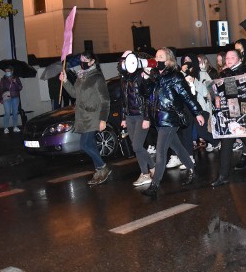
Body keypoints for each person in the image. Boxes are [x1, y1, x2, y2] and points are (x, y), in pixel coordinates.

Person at [143, 47, 205, 198]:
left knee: (161, 151)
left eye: (160, 56)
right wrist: (146, 77)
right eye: (156, 56)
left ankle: (155, 185)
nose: (157, 59)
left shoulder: (175, 76)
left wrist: (197, 113)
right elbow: (146, 94)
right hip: (158, 119)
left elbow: (187, 96)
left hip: (170, 119)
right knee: (176, 146)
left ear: (169, 60)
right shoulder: (156, 76)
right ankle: (191, 168)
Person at [211, 49, 246, 187]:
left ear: (239, 59)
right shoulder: (224, 73)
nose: (229, 59)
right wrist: (216, 96)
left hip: (244, 110)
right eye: (227, 58)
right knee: (226, 144)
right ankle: (223, 175)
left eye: (232, 57)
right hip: (229, 112)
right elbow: (218, 92)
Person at [60, 51, 112, 186]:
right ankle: (99, 171)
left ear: (92, 61)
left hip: (93, 115)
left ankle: (103, 167)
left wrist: (103, 119)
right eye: (81, 58)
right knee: (91, 144)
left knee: (84, 144)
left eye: (85, 59)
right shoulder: (80, 76)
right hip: (82, 116)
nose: (82, 61)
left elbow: (105, 100)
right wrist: (65, 81)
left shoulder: (97, 77)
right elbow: (74, 94)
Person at [118, 54, 156, 187]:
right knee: (138, 148)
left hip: (141, 116)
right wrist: (123, 117)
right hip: (130, 117)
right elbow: (123, 100)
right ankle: (151, 168)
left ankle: (146, 173)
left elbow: (148, 99)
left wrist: (147, 117)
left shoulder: (141, 77)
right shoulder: (123, 79)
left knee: (137, 146)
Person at [0, 66, 23, 133]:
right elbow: (1, 89)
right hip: (6, 97)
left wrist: (15, 82)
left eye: (8, 71)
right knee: (7, 112)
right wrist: (1, 98)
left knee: (15, 112)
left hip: (15, 97)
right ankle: (5, 128)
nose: (7, 72)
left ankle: (15, 126)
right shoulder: (3, 79)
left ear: (12, 71)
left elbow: (20, 87)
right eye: (6, 71)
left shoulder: (16, 78)